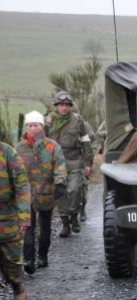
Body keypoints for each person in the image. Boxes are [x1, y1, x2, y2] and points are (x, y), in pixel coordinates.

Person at [16, 110, 67, 274]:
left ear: (42, 126)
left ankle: (43, 256)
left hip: (46, 192)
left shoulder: (52, 146)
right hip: (25, 195)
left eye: (36, 125)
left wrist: (60, 181)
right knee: (28, 227)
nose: (32, 128)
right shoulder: (19, 147)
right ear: (26, 126)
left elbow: (60, 164)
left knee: (45, 226)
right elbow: (13, 169)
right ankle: (29, 260)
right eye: (30, 125)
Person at [45, 91, 94, 237]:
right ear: (56, 106)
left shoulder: (78, 121)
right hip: (56, 162)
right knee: (61, 193)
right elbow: (40, 142)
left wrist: (88, 163)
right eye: (61, 105)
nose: (64, 108)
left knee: (74, 189)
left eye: (67, 105)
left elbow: (86, 142)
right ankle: (65, 223)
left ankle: (74, 215)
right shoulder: (49, 121)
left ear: (70, 106)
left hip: (74, 160)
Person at [0, 141, 31, 300]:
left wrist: (24, 217)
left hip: (8, 223)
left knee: (14, 275)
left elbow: (22, 187)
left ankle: (19, 292)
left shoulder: (7, 153)